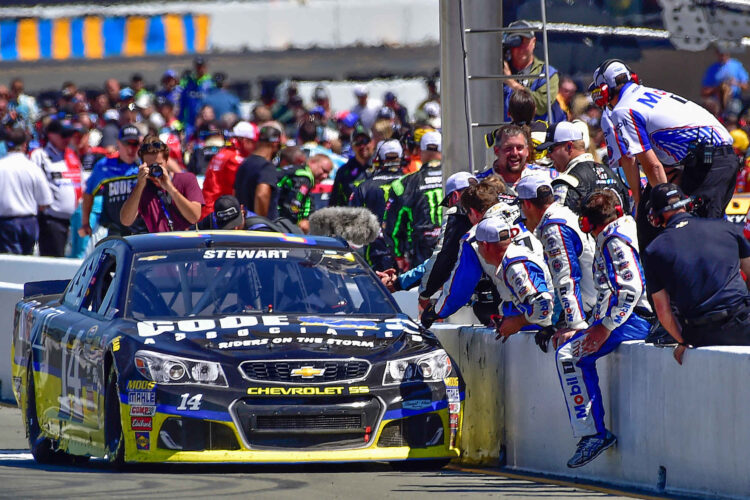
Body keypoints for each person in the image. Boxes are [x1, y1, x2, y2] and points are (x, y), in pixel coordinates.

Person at [553, 189, 651, 469]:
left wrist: (605, 327)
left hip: (635, 317)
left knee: (568, 356)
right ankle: (592, 432)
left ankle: (593, 433)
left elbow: (631, 289)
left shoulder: (613, 240)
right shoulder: (628, 226)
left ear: (586, 224)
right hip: (633, 315)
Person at [591, 59, 738, 224]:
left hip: (711, 162)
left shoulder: (623, 109)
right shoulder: (644, 93)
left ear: (605, 89)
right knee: (705, 225)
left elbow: (652, 166)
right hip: (713, 158)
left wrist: (663, 207)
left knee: (702, 230)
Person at [644, 183, 750, 363]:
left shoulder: (654, 250)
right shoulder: (726, 227)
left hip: (701, 334)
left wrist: (683, 341)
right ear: (686, 204)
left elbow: (663, 311)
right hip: (741, 325)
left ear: (656, 215)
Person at [379, 172, 474, 307]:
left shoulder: (457, 216)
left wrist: (424, 294)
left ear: (455, 196)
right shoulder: (504, 203)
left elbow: (440, 260)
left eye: (448, 203)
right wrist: (398, 283)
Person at [516, 175, 596, 331]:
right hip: (593, 305)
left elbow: (567, 279)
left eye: (520, 204)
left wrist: (574, 324)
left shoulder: (554, 227)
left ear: (526, 204)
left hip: (591, 310)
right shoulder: (562, 216)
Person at [475, 216, 554, 339]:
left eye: (478, 244)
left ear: (485, 245)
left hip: (547, 335)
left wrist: (517, 322)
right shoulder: (510, 261)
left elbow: (543, 305)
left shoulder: (516, 266)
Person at [536, 121, 630, 214]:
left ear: (569, 146)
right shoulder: (612, 175)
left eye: (550, 149)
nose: (548, 155)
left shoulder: (566, 183)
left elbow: (559, 225)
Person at [120, 135, 203, 233]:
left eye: (159, 165)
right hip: (159, 245)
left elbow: (194, 217)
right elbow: (126, 221)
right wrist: (139, 186)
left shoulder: (187, 179)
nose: (155, 169)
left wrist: (170, 188)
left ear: (167, 161)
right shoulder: (141, 188)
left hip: (186, 243)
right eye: (150, 166)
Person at [385, 131, 443, 270]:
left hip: (420, 253)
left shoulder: (403, 183)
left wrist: (398, 255)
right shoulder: (455, 178)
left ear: (421, 152)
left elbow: (393, 227)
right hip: (453, 247)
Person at [349, 139, 406, 271]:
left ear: (378, 159)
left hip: (375, 255)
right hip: (405, 256)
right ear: (401, 158)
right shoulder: (411, 182)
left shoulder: (364, 187)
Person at [80, 125, 146, 238]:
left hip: (141, 232)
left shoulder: (144, 166)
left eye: (134, 144)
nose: (130, 149)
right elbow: (88, 192)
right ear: (118, 143)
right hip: (114, 231)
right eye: (126, 143)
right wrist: (85, 223)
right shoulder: (104, 166)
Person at [29, 120, 82, 256]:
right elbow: (33, 185)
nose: (68, 139)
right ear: (51, 135)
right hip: (52, 221)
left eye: (70, 134)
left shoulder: (72, 154)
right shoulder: (40, 155)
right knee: (54, 263)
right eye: (64, 135)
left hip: (76, 221)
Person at [0, 128, 53, 254]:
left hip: (5, 223)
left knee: (10, 265)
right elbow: (45, 201)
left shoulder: (1, 166)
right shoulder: (33, 168)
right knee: (26, 261)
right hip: (29, 222)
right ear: (24, 145)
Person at [502, 20, 563, 123]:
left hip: (536, 135)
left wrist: (512, 83)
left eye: (525, 42)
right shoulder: (498, 70)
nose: (521, 48)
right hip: (505, 134)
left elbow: (542, 105)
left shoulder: (547, 73)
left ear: (534, 42)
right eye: (516, 42)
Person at [201, 121, 257, 218]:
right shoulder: (235, 159)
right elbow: (242, 189)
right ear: (244, 140)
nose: (256, 146)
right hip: (220, 213)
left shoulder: (223, 152)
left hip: (210, 209)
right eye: (254, 142)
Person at [477, 124, 555, 186]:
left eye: (519, 148)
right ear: (497, 151)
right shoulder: (480, 184)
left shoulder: (548, 178)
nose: (514, 153)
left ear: (527, 150)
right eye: (508, 148)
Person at [233, 125, 283, 218]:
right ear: (275, 143)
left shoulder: (244, 163)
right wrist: (260, 223)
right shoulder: (267, 167)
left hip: (243, 225)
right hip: (259, 229)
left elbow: (234, 193)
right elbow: (262, 194)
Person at [277, 154, 333, 233]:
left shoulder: (297, 170)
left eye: (328, 173)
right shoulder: (304, 177)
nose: (325, 176)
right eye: (324, 170)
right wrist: (294, 226)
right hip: (282, 224)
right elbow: (294, 205)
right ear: (312, 162)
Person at [330, 126, 372, 207]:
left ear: (372, 142)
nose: (362, 146)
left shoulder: (380, 167)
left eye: (365, 141)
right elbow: (335, 202)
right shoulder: (343, 171)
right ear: (352, 146)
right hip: (352, 216)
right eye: (358, 142)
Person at [701, 47, 748, 117]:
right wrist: (717, 88)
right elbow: (704, 91)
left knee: (735, 107)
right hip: (717, 101)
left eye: (725, 54)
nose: (723, 56)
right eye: (721, 54)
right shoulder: (713, 69)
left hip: (734, 99)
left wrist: (736, 83)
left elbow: (746, 86)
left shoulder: (736, 65)